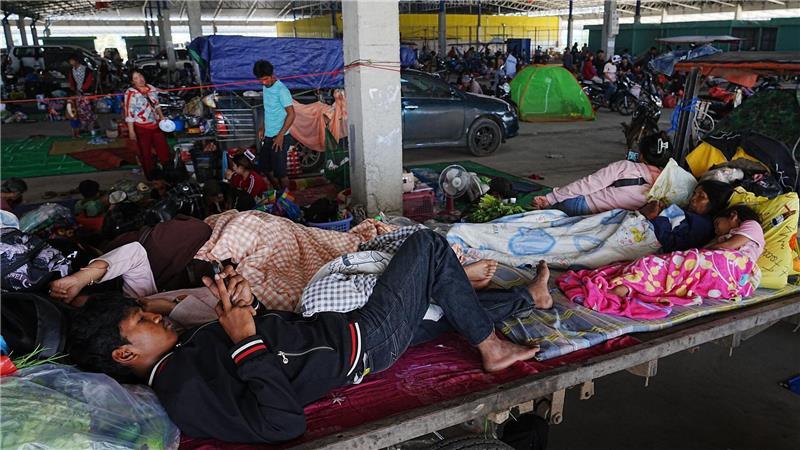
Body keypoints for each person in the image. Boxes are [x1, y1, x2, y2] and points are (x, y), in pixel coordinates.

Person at [67, 230, 543, 443]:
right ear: (125, 352)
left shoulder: (186, 350)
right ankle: (493, 349)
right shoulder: (183, 391)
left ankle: (528, 299)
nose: (157, 318)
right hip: (359, 342)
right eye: (143, 322)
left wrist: (247, 307)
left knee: (435, 311)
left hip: (344, 335)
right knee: (428, 247)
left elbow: (278, 347)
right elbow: (282, 425)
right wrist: (246, 337)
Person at [558, 205, 764, 319]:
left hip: (733, 269)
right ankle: (625, 288)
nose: (718, 229)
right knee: (671, 277)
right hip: (727, 282)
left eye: (719, 223)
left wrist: (693, 254)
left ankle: (621, 287)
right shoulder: (725, 238)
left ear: (734, 216)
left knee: (661, 266)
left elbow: (723, 250)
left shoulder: (751, 226)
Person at [532, 134, 671, 216]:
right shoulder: (668, 184)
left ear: (641, 155)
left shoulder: (626, 167)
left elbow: (589, 184)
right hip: (612, 220)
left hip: (584, 206)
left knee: (542, 214)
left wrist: (551, 198)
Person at [639, 180, 734, 254]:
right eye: (694, 194)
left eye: (701, 196)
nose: (693, 199)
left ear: (714, 204)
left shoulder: (703, 227)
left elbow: (672, 245)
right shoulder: (691, 216)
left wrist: (656, 218)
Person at [253, 60, 295, 191]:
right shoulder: (265, 87)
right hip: (269, 135)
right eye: (261, 80)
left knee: (281, 172)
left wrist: (280, 135)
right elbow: (269, 111)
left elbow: (292, 114)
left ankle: (286, 199)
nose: (264, 82)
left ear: (272, 75)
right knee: (264, 167)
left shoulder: (282, 90)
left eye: (265, 79)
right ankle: (278, 192)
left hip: (281, 136)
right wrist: (263, 127)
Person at [124, 69, 169, 181]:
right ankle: (151, 177)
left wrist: (162, 117)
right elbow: (129, 112)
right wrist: (131, 131)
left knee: (163, 150)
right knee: (146, 153)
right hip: (141, 127)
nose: (140, 79)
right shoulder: (130, 93)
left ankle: (169, 174)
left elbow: (157, 105)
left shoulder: (151, 88)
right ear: (132, 82)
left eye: (140, 76)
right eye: (136, 78)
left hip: (156, 124)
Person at [67, 54, 98, 133]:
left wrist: (82, 89)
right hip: (78, 93)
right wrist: (74, 89)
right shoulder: (71, 71)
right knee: (80, 110)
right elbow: (71, 82)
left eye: (71, 60)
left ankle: (92, 125)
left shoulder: (86, 70)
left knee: (88, 109)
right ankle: (84, 126)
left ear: (76, 60)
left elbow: (89, 81)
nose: (70, 62)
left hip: (86, 93)